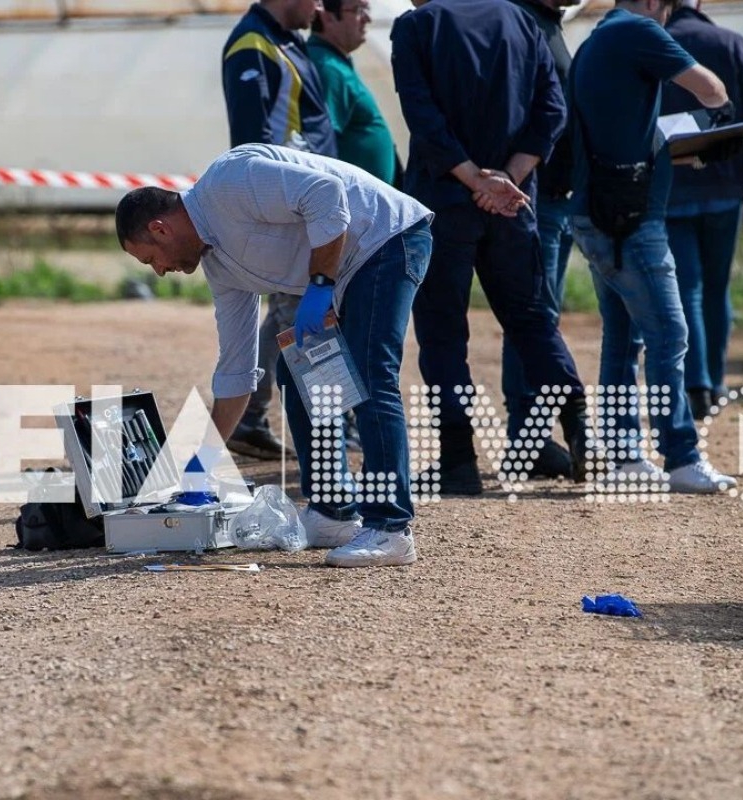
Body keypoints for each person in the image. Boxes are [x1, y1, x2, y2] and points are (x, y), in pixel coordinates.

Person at [116, 145, 520, 566]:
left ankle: (390, 528)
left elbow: (326, 193)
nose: (159, 271)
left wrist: (320, 284)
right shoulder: (221, 268)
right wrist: (204, 460)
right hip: (345, 270)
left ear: (161, 229)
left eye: (150, 260)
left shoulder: (227, 181)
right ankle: (333, 513)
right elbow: (237, 369)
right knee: (299, 374)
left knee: (368, 374)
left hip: (386, 237)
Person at [391, 0, 596, 495]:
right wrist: (507, 178)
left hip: (442, 200)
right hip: (512, 202)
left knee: (443, 335)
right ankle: (580, 429)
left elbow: (423, 115)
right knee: (531, 320)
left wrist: (471, 177)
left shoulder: (417, 26)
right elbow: (553, 109)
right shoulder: (522, 20)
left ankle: (459, 461)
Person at [568, 0, 739, 492]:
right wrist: (720, 116)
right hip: (630, 221)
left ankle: (624, 454)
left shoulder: (601, 37)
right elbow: (712, 88)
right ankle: (681, 455)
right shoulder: (638, 30)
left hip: (601, 211)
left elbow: (623, 133)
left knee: (623, 336)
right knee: (670, 332)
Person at [221, 0, 336, 461]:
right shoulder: (254, 44)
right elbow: (253, 146)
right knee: (305, 319)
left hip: (310, 205)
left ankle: (251, 418)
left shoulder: (289, 41)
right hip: (292, 211)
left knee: (290, 313)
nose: (322, 6)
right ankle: (330, 439)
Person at [661, 0, 743, 420]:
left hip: (671, 189)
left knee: (686, 288)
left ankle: (696, 386)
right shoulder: (731, 43)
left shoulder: (654, 45)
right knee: (716, 288)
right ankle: (717, 381)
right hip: (726, 189)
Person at [503, 0, 580, 479]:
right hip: (542, 195)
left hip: (558, 195)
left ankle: (530, 437)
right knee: (533, 316)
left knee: (537, 315)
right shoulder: (525, 20)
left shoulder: (547, 22)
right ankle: (526, 438)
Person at [308, 0, 401, 186]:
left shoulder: (335, 62)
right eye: (358, 10)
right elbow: (321, 145)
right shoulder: (326, 67)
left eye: (366, 9)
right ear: (328, 17)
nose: (367, 18)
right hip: (353, 207)